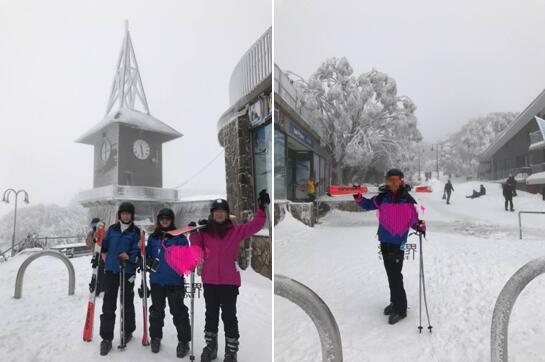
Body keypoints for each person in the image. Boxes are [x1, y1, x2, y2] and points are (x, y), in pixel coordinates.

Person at [191, 190, 269, 362]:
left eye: (222, 211)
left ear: (227, 214)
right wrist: (194, 231)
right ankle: (211, 347)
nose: (219, 214)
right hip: (210, 281)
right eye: (216, 211)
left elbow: (255, 225)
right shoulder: (204, 232)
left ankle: (231, 352)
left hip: (229, 283)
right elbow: (196, 248)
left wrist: (262, 208)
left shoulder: (236, 231)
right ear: (212, 214)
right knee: (210, 315)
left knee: (229, 316)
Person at [353, 169, 426, 325]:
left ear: (401, 181)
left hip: (397, 244)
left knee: (395, 276)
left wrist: (419, 226)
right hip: (384, 242)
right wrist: (358, 197)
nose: (392, 184)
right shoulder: (382, 198)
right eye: (389, 180)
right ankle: (394, 302)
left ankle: (401, 309)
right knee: (390, 274)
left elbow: (413, 220)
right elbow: (367, 204)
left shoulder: (407, 200)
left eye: (395, 180)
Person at [145, 208, 192, 357]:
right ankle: (155, 337)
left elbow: (186, 259)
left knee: (178, 312)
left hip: (174, 281)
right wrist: (144, 259)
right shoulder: (153, 238)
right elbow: (147, 255)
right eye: (162, 218)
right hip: (157, 281)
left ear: (172, 220)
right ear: (159, 220)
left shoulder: (180, 238)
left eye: (167, 218)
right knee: (156, 311)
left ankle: (184, 341)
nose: (164, 220)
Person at [99, 202, 140, 355]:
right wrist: (106, 260)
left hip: (127, 271)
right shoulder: (112, 229)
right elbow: (105, 246)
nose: (126, 216)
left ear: (132, 215)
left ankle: (128, 330)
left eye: (129, 213)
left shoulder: (136, 232)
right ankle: (106, 338)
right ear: (119, 215)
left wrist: (129, 256)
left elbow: (137, 249)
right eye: (123, 213)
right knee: (109, 303)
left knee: (127, 302)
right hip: (111, 271)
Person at [86, 217, 105, 296]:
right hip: (95, 255)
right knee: (96, 271)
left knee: (101, 271)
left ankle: (99, 288)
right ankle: (97, 287)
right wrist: (92, 237)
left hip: (103, 255)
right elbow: (89, 244)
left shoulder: (104, 231)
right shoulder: (90, 233)